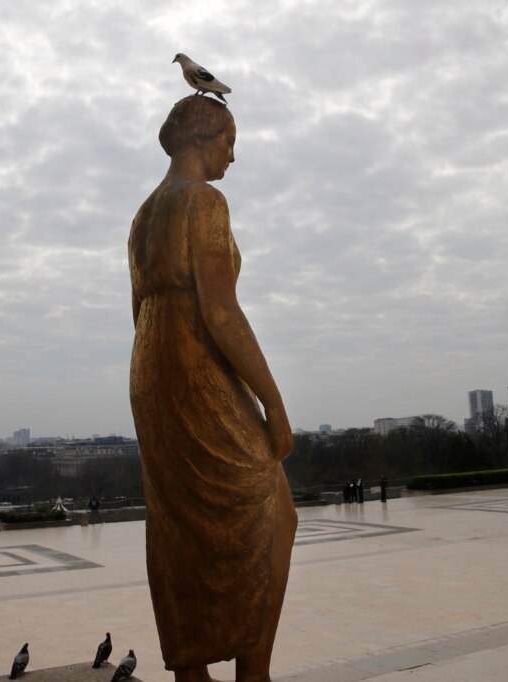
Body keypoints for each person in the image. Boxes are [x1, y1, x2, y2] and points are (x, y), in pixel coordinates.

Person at [129, 95, 297, 682]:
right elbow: (221, 312)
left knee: (179, 523)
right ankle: (255, 671)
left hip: (153, 370)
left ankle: (191, 673)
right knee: (274, 511)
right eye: (229, 140)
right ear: (203, 136)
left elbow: (137, 311)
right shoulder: (204, 201)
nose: (233, 154)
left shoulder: (144, 214)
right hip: (195, 362)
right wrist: (273, 403)